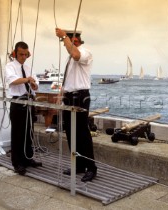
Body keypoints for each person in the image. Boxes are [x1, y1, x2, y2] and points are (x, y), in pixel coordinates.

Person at [55, 28, 97, 182]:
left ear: (76, 40)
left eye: (69, 40)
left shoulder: (84, 52)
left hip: (80, 97)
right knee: (71, 132)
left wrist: (64, 36)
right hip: (69, 97)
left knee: (83, 134)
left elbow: (76, 55)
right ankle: (78, 164)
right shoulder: (68, 58)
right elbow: (69, 78)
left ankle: (91, 167)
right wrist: (62, 93)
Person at [5, 41, 42, 175]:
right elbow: (12, 80)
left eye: (26, 54)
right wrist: (27, 80)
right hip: (18, 102)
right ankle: (17, 162)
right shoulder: (10, 66)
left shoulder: (28, 68)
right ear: (15, 53)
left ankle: (28, 158)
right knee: (18, 133)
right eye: (21, 54)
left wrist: (34, 85)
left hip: (29, 102)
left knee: (29, 132)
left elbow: (35, 82)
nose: (23, 57)